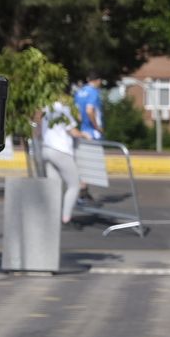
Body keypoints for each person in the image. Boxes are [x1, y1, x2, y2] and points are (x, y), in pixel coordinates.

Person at [39, 98, 83, 225]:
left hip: (46, 148)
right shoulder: (63, 109)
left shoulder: (46, 108)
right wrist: (84, 135)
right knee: (74, 185)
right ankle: (66, 217)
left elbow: (38, 128)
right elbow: (72, 131)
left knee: (54, 186)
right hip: (61, 150)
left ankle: (51, 216)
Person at [73, 70, 105, 204]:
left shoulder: (79, 92)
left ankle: (84, 192)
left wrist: (82, 123)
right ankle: (82, 192)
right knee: (90, 164)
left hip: (83, 130)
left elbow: (77, 113)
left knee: (84, 162)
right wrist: (97, 126)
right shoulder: (94, 93)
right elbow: (89, 110)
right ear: (97, 80)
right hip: (92, 133)